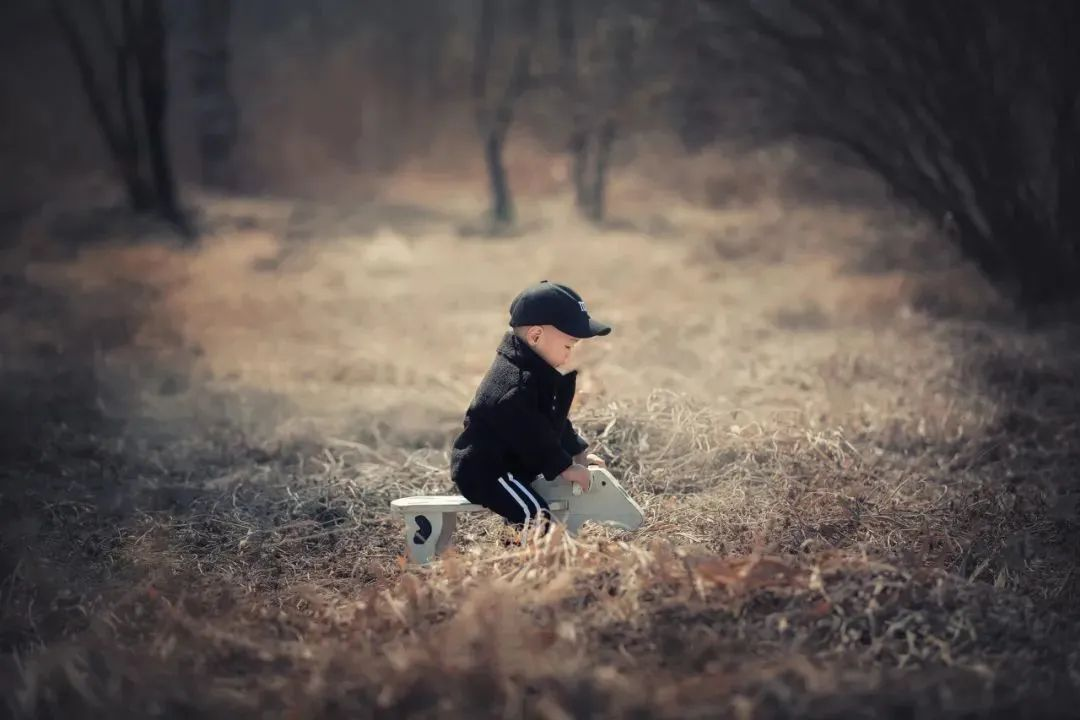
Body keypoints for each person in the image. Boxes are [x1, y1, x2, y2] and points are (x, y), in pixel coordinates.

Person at [450, 280, 612, 541]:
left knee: (533, 511)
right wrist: (563, 467)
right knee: (535, 517)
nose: (569, 355)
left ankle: (515, 548)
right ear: (536, 337)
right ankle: (526, 565)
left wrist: (577, 453)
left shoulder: (535, 373)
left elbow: (552, 421)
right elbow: (532, 434)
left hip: (509, 467)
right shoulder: (515, 383)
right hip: (487, 470)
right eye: (568, 346)